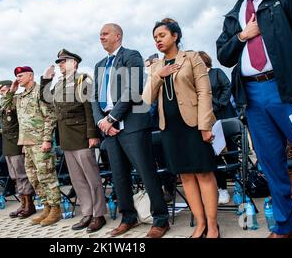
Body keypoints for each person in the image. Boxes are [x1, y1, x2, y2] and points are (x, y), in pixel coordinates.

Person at [216, 0, 292, 238]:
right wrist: (242, 35)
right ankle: (286, 227)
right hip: (252, 95)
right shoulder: (234, 14)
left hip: (290, 90)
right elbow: (223, 55)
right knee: (270, 163)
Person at [143, 19, 219, 238]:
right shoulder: (157, 66)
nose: (158, 40)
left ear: (175, 36)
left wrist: (205, 125)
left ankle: (213, 226)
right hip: (169, 129)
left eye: (162, 35)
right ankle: (200, 224)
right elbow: (147, 98)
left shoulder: (192, 57)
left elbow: (205, 92)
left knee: (204, 173)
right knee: (185, 176)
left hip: (194, 125)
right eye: (155, 37)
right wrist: (159, 74)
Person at [92, 23, 169, 238]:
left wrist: (112, 117)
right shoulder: (99, 65)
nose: (101, 37)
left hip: (131, 125)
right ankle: (128, 217)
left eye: (105, 34)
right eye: (100, 35)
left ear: (118, 36)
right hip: (109, 128)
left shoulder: (131, 56)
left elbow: (132, 89)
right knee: (119, 176)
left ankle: (160, 219)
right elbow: (94, 98)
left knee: (146, 172)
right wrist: (102, 122)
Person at [41, 49, 107, 233]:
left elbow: (88, 108)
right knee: (77, 180)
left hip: (82, 136)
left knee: (91, 177)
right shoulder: (59, 84)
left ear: (75, 63)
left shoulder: (82, 80)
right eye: (59, 61)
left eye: (64, 61)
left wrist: (92, 134)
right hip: (66, 138)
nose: (60, 64)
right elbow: (45, 101)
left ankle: (99, 214)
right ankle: (87, 213)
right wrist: (46, 80)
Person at [2, 66, 61, 226]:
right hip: (27, 144)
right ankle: (46, 207)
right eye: (17, 76)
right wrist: (11, 91)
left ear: (31, 75)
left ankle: (56, 209)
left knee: (47, 176)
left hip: (41, 142)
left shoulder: (39, 92)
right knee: (34, 178)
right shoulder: (20, 96)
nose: (18, 78)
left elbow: (50, 116)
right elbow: (6, 107)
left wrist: (47, 140)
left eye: (21, 76)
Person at [0, 80, 36, 219]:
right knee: (15, 176)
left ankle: (29, 205)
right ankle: (23, 203)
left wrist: (24, 144)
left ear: (10, 89)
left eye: (3, 91)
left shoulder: (16, 100)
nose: (1, 93)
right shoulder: (3, 105)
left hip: (16, 143)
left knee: (22, 175)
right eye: (0, 91)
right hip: (7, 145)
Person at [198, 51, 237, 205]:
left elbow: (227, 87)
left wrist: (219, 104)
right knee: (215, 155)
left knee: (231, 152)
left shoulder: (216, 73)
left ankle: (240, 183)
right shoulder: (197, 79)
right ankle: (222, 188)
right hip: (208, 121)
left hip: (224, 115)